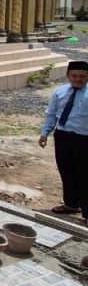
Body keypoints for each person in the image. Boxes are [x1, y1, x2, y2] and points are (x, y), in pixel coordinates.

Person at [38, 59, 88, 225]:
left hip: (84, 139)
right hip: (63, 137)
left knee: (84, 175)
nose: (78, 79)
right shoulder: (59, 92)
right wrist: (45, 133)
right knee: (66, 171)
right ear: (68, 76)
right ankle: (71, 204)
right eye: (74, 76)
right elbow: (51, 114)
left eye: (82, 76)